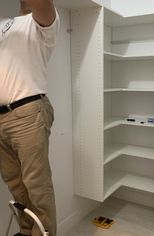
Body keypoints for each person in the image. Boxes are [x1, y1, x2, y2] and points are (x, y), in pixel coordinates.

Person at [0, 0, 60, 235]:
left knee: (37, 186)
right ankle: (26, 231)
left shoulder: (40, 22)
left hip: (27, 112)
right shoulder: (5, 24)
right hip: (2, 117)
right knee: (15, 184)